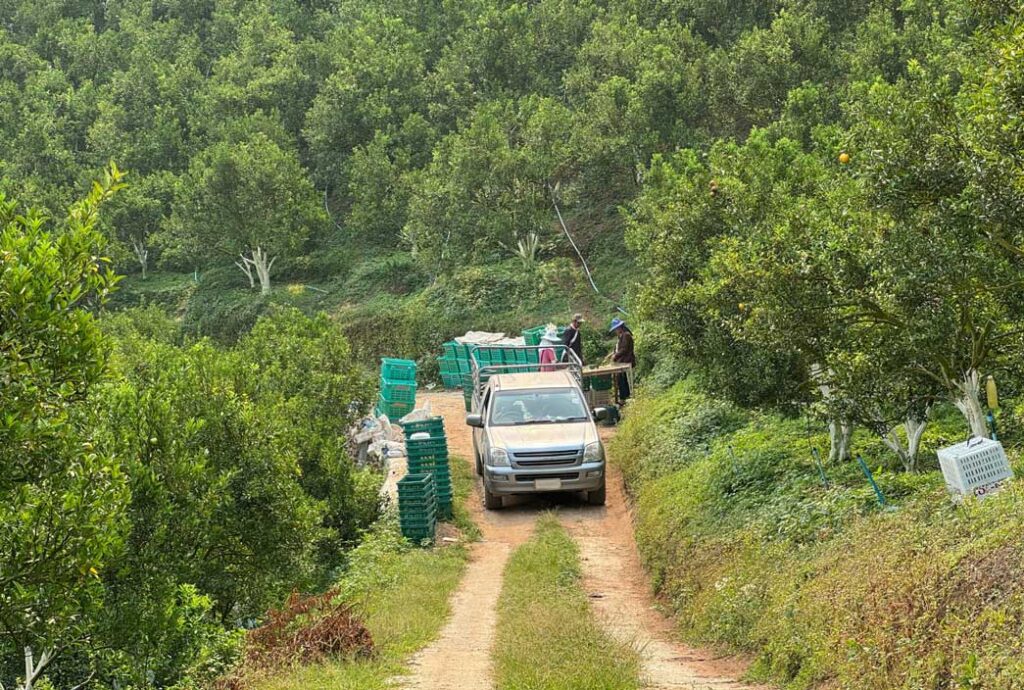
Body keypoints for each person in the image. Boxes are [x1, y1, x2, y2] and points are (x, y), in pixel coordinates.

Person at [609, 318, 635, 401]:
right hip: (621, 362)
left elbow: (624, 349)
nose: (615, 331)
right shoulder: (620, 336)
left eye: (616, 329)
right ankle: (623, 398)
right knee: (621, 380)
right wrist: (612, 354)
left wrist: (615, 356)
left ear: (620, 327)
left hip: (626, 361)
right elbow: (618, 348)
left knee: (625, 380)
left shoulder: (626, 335)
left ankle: (627, 397)